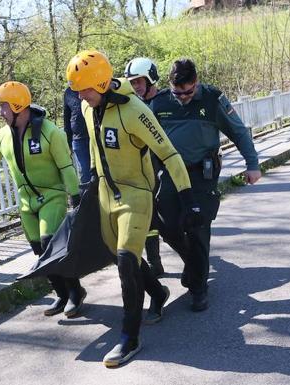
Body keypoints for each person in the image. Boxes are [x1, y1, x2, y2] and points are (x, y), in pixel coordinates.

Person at [66, 50, 203, 367]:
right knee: (122, 256)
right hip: (104, 195)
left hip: (136, 195)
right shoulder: (89, 109)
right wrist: (88, 187)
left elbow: (169, 154)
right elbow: (92, 149)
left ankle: (129, 338)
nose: (81, 96)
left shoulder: (135, 110)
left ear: (101, 83)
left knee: (126, 262)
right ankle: (157, 292)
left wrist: (188, 199)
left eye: (85, 89)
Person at [0, 81, 86, 318]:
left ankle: (75, 292)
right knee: (39, 251)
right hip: (26, 203)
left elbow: (67, 167)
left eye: (4, 107)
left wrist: (76, 197)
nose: (0, 112)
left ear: (18, 106)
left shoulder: (51, 132)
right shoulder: (3, 136)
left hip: (52, 197)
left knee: (51, 244)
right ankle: (60, 294)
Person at [150, 58, 261, 312]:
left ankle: (199, 288)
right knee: (167, 227)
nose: (184, 97)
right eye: (179, 93)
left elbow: (238, 131)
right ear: (170, 85)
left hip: (201, 174)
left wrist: (252, 164)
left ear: (196, 82)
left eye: (189, 92)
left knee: (197, 228)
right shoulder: (160, 103)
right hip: (170, 175)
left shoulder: (212, 99)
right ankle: (193, 265)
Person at [124, 57, 164, 277]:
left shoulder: (166, 102)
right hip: (141, 170)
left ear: (151, 79)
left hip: (163, 167)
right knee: (148, 218)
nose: (135, 87)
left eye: (139, 81)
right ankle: (154, 261)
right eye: (132, 82)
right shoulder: (130, 105)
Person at [63, 87, 91, 190]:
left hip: (94, 136)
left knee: (100, 170)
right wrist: (68, 143)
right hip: (78, 140)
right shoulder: (68, 92)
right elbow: (67, 117)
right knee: (84, 173)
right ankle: (87, 203)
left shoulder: (91, 86)